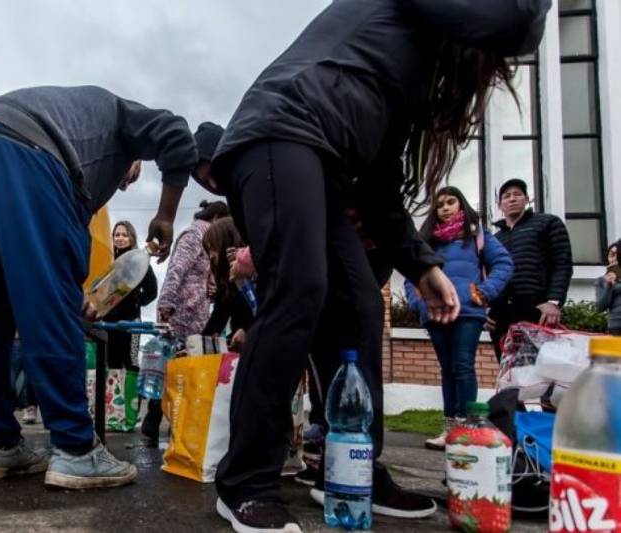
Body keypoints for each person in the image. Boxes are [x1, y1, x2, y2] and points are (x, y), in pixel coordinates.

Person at [195, 1, 550, 531]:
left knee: (360, 305)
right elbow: (516, 21)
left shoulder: (402, 72)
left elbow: (381, 188)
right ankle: (244, 479)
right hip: (277, 133)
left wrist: (422, 265)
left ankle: (347, 466)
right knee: (299, 288)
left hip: (327, 166)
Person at [0, 85, 199, 488]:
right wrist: (166, 215)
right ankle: (76, 450)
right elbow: (178, 135)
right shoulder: (119, 117)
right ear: (135, 155)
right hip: (21, 148)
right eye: (130, 175)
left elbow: (46, 253)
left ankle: (0, 445)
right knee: (49, 310)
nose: (125, 183)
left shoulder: (75, 123)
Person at [405, 187, 513, 450]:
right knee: (448, 370)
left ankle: (466, 428)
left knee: (462, 365)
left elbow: (504, 263)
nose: (445, 208)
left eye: (450, 202)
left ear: (461, 205)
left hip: (467, 311)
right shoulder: (427, 241)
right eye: (439, 204)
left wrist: (484, 292)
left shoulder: (478, 237)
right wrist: (418, 301)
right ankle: (450, 428)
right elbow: (412, 273)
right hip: (436, 312)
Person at [141, 197, 229, 446]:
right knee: (171, 367)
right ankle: (153, 422)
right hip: (180, 312)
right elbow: (176, 270)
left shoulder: (209, 239)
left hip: (198, 312)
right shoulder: (193, 236)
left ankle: (172, 426)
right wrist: (167, 302)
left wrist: (211, 287)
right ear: (216, 219)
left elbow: (206, 274)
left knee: (183, 369)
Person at [487, 178, 573, 360]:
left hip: (537, 310)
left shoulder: (548, 223)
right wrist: (484, 310)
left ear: (527, 199)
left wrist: (554, 302)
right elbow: (486, 274)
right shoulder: (494, 239)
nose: (512, 199)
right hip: (501, 314)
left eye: (517, 194)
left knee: (537, 372)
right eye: (507, 196)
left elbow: (562, 263)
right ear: (499, 205)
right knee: (507, 371)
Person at [105, 219, 158, 370]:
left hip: (131, 322)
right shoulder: (107, 260)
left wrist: (135, 301)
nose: (120, 238)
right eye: (116, 235)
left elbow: (152, 291)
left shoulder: (140, 262)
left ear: (132, 238)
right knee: (110, 362)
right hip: (108, 321)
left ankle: (131, 393)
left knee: (131, 361)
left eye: (124, 235)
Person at [202, 217, 254, 351]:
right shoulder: (226, 284)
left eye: (214, 248)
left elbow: (263, 307)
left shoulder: (253, 273)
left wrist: (247, 329)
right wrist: (197, 346)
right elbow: (218, 317)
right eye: (209, 251)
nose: (211, 256)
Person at [596, 239, 621, 336]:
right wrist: (609, 286)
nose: (613, 259)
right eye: (611, 255)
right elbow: (600, 307)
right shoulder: (602, 281)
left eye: (616, 254)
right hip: (617, 326)